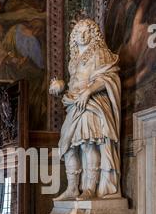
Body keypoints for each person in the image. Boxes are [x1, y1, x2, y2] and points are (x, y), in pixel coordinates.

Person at [49, 19, 122, 201]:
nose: (82, 35)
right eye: (78, 32)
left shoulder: (99, 53)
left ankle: (90, 189)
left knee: (88, 144)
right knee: (68, 148)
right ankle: (73, 188)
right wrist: (59, 88)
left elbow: (109, 77)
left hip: (92, 104)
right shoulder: (73, 60)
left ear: (93, 34)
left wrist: (88, 91)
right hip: (74, 105)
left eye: (86, 31)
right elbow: (75, 84)